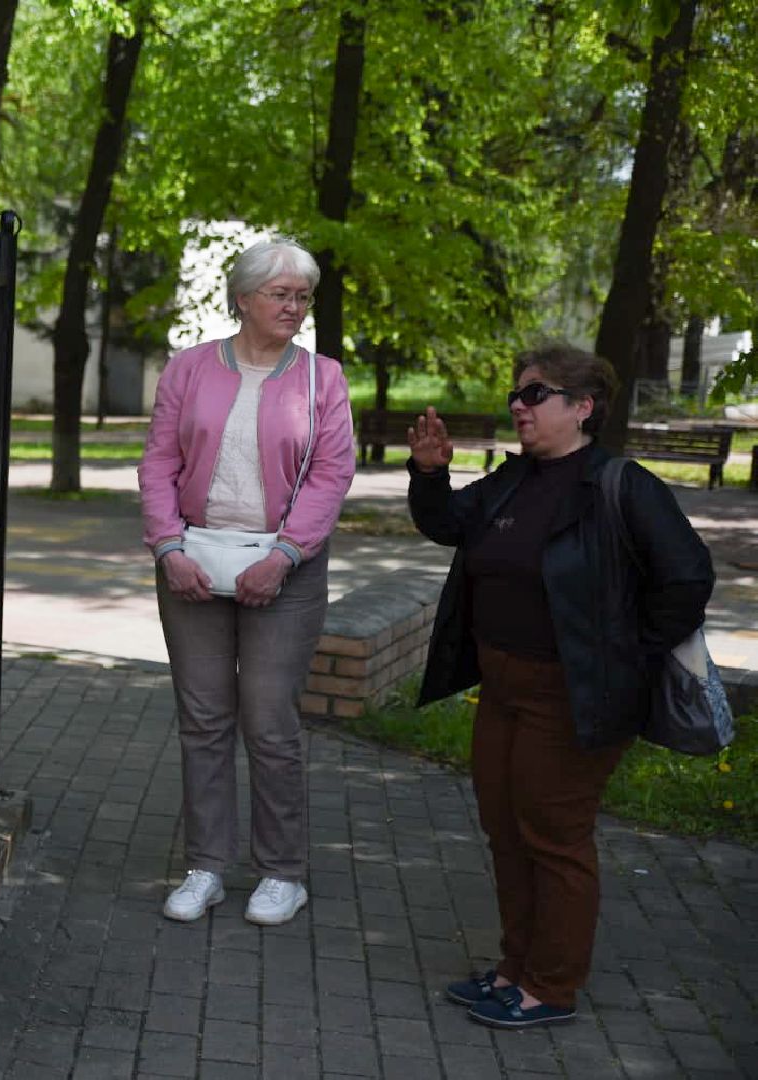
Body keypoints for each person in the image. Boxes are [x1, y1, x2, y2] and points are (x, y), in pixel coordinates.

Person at [406, 344, 713, 1028]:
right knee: (505, 831)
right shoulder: (512, 481)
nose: (519, 405)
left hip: (573, 697)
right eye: (517, 395)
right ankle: (514, 969)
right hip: (505, 689)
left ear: (582, 407)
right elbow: (447, 524)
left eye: (535, 394)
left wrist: (624, 655)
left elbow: (688, 579)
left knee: (554, 836)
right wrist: (429, 475)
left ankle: (551, 986)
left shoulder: (621, 486)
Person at [138, 237, 355, 927]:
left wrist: (285, 556)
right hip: (192, 561)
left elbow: (331, 475)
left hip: (284, 571)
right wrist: (169, 548)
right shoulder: (190, 369)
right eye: (280, 294)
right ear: (244, 299)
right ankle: (205, 867)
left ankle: (282, 873)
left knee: (268, 721)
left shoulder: (323, 378)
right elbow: (158, 463)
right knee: (202, 721)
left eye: (302, 296)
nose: (294, 307)